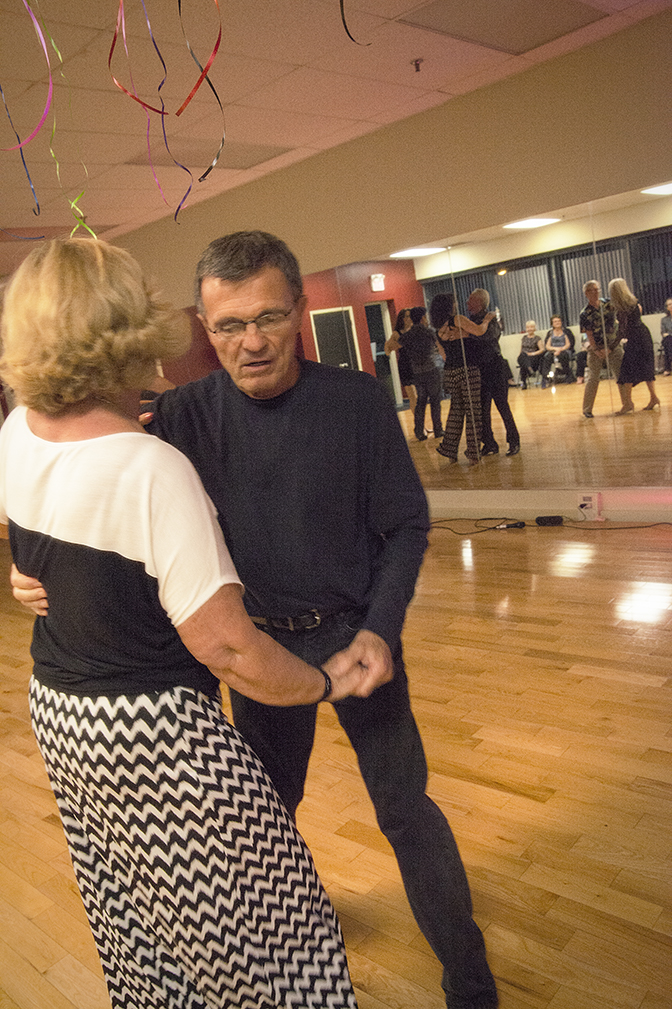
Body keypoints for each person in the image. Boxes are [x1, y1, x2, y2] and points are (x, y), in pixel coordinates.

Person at [13, 231, 499, 1009]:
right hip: (260, 651)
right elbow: (81, 475)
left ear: (299, 309)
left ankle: (469, 979)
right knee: (266, 820)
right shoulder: (178, 415)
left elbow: (407, 524)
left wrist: (379, 629)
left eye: (268, 317)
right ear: (204, 330)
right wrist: (31, 566)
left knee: (406, 809)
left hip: (355, 637)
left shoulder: (356, 401)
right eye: (229, 325)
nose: (252, 341)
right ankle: (294, 928)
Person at [430, 292, 495, 464]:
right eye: (454, 302)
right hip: (468, 370)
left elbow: (444, 356)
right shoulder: (457, 320)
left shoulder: (437, 330)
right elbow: (479, 331)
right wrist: (487, 319)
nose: (457, 304)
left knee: (456, 412)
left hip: (450, 372)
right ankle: (473, 453)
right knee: (473, 412)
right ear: (449, 305)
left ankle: (449, 450)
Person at [467, 288, 520, 456]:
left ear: (480, 302)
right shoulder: (470, 321)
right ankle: (489, 443)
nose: (467, 302)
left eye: (471, 300)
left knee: (502, 406)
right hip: (479, 370)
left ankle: (514, 441)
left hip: (494, 367)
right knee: (482, 410)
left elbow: (486, 337)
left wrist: (471, 332)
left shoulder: (491, 320)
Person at [608, 278, 659, 412]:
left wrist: (612, 346)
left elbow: (622, 331)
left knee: (627, 370)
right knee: (646, 367)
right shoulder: (634, 303)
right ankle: (653, 397)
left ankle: (628, 403)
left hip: (635, 339)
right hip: (644, 334)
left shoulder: (622, 309)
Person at [578, 280, 625, 418]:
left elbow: (620, 319)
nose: (595, 292)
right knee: (593, 378)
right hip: (596, 348)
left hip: (614, 345)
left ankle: (626, 403)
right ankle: (587, 409)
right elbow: (588, 333)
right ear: (586, 293)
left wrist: (611, 347)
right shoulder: (585, 313)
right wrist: (596, 350)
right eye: (591, 290)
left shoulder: (609, 304)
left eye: (597, 289)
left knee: (621, 375)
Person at [399, 305, 444, 440]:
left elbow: (399, 343)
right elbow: (439, 346)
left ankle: (419, 431)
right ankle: (438, 429)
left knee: (421, 402)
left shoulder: (407, 336)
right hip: (431, 369)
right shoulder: (429, 332)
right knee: (435, 401)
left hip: (417, 372)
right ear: (423, 317)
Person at [385, 307, 417, 414]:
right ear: (402, 319)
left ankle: (420, 420)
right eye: (407, 316)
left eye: (410, 316)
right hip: (406, 365)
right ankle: (418, 422)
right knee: (413, 396)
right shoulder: (397, 333)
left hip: (418, 364)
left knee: (420, 396)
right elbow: (387, 349)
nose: (409, 318)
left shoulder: (415, 330)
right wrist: (397, 345)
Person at [540, 315, 575, 387]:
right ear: (552, 324)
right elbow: (547, 346)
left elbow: (569, 344)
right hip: (553, 350)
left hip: (564, 350)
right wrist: (556, 349)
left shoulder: (566, 331)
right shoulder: (550, 333)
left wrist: (560, 349)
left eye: (559, 321)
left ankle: (567, 374)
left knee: (563, 355)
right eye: (555, 321)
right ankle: (546, 378)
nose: (557, 323)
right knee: (547, 357)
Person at [517, 321, 544, 388]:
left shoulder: (537, 338)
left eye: (531, 327)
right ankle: (529, 369)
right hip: (523, 357)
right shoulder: (524, 338)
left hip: (533, 357)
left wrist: (532, 353)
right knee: (523, 356)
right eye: (528, 327)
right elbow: (521, 349)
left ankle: (524, 382)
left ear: (534, 328)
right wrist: (521, 355)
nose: (529, 329)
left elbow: (542, 350)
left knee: (523, 366)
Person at [660, 297, 672, 376]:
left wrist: (669, 334)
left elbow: (667, 333)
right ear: (667, 307)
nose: (671, 306)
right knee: (668, 341)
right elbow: (663, 333)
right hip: (668, 340)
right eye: (669, 304)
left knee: (668, 341)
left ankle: (667, 368)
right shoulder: (664, 320)